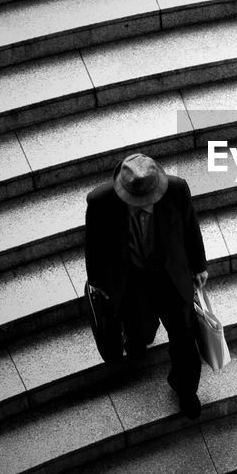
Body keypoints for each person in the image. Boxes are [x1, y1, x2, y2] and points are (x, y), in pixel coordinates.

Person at [85, 153, 209, 418]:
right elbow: (94, 246)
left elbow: (190, 227)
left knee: (185, 339)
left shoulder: (176, 189)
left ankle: (185, 389)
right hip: (131, 281)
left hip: (170, 277)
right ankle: (137, 339)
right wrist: (98, 283)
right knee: (137, 326)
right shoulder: (100, 201)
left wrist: (199, 265)